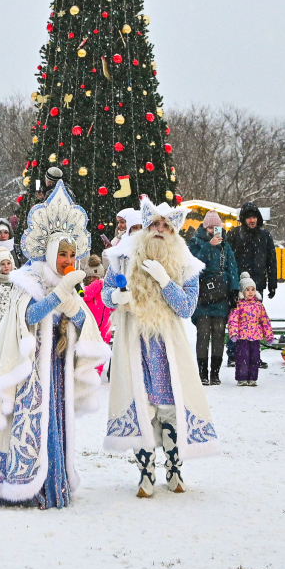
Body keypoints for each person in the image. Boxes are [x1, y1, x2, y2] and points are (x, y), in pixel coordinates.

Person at [0, 183, 109, 508]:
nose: (68, 260)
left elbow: (88, 326)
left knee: (54, 422)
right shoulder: (29, 279)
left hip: (55, 368)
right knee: (29, 422)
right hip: (29, 367)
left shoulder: (70, 283)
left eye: (72, 255)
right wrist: (59, 296)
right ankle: (20, 483)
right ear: (50, 252)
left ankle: (53, 483)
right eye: (63, 254)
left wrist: (72, 307)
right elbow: (28, 315)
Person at [102, 197, 216, 498]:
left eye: (166, 225)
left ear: (175, 231)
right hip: (134, 340)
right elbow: (105, 294)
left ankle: (174, 470)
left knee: (170, 408)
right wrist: (117, 298)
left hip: (167, 345)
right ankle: (146, 473)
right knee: (141, 405)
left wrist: (165, 281)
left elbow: (186, 307)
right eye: (154, 224)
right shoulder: (123, 258)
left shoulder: (187, 264)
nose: (159, 229)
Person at [188, 211, 239, 386]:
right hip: (203, 294)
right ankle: (202, 372)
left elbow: (232, 267)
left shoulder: (226, 245)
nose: (213, 230)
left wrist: (234, 290)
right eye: (210, 227)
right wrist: (209, 246)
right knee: (203, 333)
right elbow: (194, 265)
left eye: (216, 227)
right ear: (204, 227)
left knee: (218, 333)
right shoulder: (195, 242)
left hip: (221, 294)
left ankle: (215, 373)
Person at [227, 272, 273, 386]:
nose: (250, 292)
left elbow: (264, 321)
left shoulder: (259, 305)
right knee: (242, 358)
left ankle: (252, 377)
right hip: (242, 337)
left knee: (255, 358)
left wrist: (269, 335)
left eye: (253, 289)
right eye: (247, 289)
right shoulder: (238, 305)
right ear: (242, 291)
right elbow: (233, 320)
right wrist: (233, 333)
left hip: (255, 337)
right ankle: (241, 377)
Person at [226, 202, 277, 301]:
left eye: (254, 217)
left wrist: (272, 283)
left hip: (258, 283)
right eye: (249, 218)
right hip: (239, 283)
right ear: (244, 219)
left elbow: (271, 261)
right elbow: (227, 259)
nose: (252, 220)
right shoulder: (234, 234)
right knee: (239, 314)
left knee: (256, 313)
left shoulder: (265, 236)